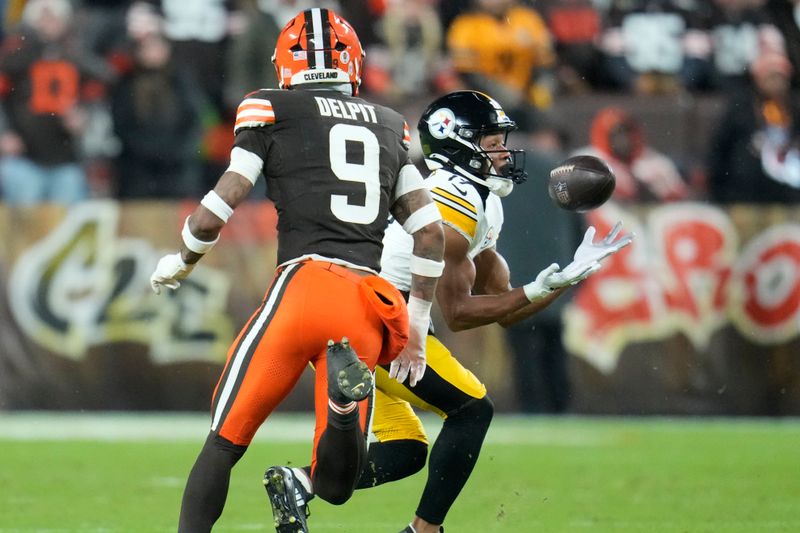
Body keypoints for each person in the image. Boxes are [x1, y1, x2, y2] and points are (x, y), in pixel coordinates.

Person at [149, 9, 446, 533]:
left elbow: (222, 202)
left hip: (303, 286)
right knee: (333, 486)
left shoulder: (270, 107)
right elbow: (430, 232)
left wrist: (181, 260)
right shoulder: (387, 123)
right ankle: (339, 405)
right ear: (351, 61)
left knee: (223, 441)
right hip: (366, 304)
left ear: (285, 63)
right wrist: (417, 327)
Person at [289, 90, 634, 533]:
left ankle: (299, 483)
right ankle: (424, 531)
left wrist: (566, 277)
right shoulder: (453, 203)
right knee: (472, 410)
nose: (504, 152)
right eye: (491, 142)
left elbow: (505, 305)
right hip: (374, 321)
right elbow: (460, 312)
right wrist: (538, 287)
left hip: (367, 320)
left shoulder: (478, 198)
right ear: (456, 143)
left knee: (405, 451)